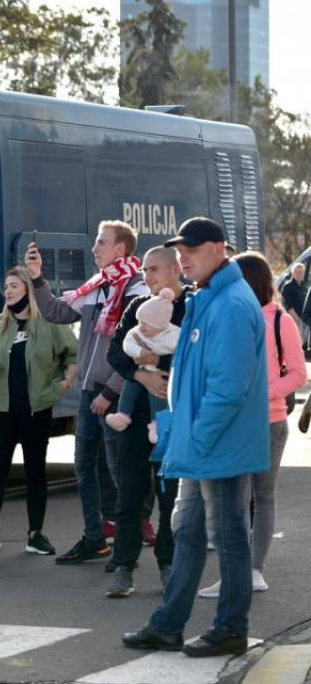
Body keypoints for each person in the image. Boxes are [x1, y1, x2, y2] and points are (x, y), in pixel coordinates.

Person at [123, 217, 269, 658]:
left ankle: (230, 628)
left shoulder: (230, 303)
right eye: (179, 250)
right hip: (203, 444)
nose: (182, 256)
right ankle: (169, 624)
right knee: (185, 531)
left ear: (219, 249)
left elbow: (229, 386)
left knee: (226, 539)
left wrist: (199, 438)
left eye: (191, 248)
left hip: (217, 445)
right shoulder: (209, 297)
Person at [25, 220, 147, 564]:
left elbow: (136, 350)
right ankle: (95, 538)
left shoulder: (137, 292)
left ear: (120, 249)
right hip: (89, 392)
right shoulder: (96, 287)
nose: (94, 248)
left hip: (115, 395)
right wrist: (36, 277)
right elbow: (55, 312)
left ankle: (126, 544)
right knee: (84, 468)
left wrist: (109, 392)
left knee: (118, 472)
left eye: (101, 242)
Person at [197, 251, 306, 598]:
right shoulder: (226, 316)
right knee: (235, 501)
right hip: (230, 424)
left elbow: (299, 374)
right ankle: (234, 573)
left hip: (269, 422)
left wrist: (260, 395)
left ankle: (255, 570)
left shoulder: (279, 321)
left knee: (262, 496)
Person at [0, 267, 77, 556]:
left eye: (14, 285)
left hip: (36, 411)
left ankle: (36, 535)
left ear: (28, 289)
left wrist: (64, 383)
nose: (9, 290)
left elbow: (72, 352)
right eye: (6, 285)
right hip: (1, 410)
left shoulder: (50, 323)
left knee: (35, 473)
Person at [105, 247, 189, 598]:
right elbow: (115, 352)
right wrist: (141, 374)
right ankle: (124, 566)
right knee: (129, 493)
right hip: (137, 418)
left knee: (169, 496)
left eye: (153, 270)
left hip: (175, 418)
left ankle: (168, 564)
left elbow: (198, 353)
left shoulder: (194, 307)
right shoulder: (136, 306)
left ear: (175, 271)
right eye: (144, 271)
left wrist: (165, 368)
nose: (146, 277)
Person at [105, 288, 180, 442]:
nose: (142, 326)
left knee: (159, 397)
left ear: (161, 326)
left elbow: (186, 355)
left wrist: (158, 360)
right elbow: (124, 345)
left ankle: (157, 426)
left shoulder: (174, 335)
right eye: (140, 322)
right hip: (140, 370)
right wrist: (139, 352)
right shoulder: (137, 331)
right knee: (128, 388)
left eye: (147, 324)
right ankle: (122, 415)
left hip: (163, 377)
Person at [279, 262, 306, 350]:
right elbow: (288, 306)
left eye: (300, 272)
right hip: (294, 320)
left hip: (304, 320)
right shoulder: (287, 287)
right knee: (294, 346)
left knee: (301, 347)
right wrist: (298, 320)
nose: (298, 274)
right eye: (296, 272)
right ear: (292, 273)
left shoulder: (303, 286)